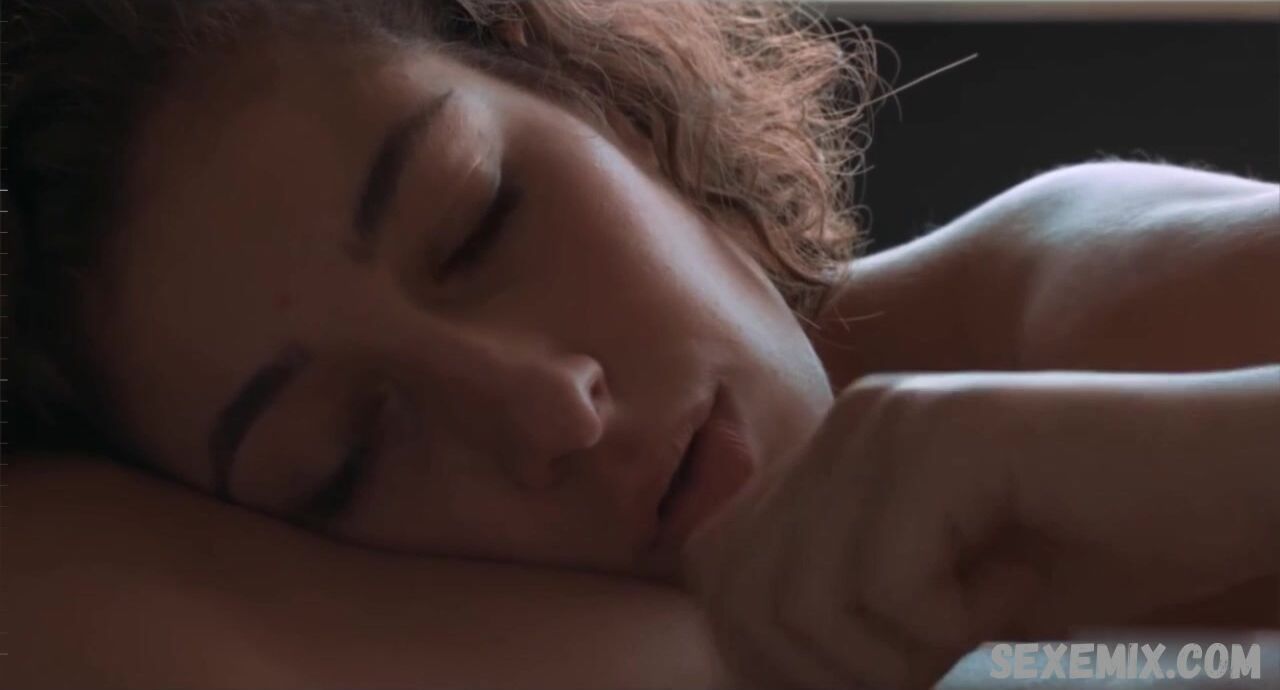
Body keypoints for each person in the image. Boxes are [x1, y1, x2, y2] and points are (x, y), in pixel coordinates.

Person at [5, 0, 1277, 688]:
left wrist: (1203, 457)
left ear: (592, 94)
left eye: (479, 219)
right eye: (341, 457)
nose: (548, 405)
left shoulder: (1070, 297)